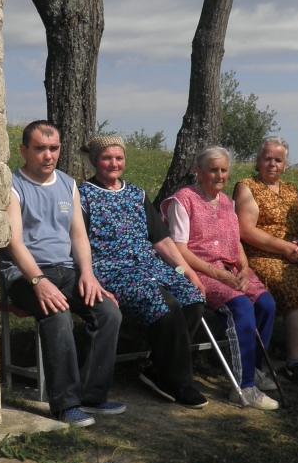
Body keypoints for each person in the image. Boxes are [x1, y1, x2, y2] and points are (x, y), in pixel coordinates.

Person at [1, 121, 125, 428]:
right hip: (25, 274)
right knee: (57, 313)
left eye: (54, 148)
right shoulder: (12, 186)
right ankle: (66, 405)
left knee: (109, 313)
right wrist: (38, 282)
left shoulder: (68, 184)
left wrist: (88, 275)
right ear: (23, 151)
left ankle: (93, 395)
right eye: (40, 148)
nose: (48, 155)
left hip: (67, 271)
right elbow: (14, 242)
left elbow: (79, 236)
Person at [78, 137, 209, 409]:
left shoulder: (137, 194)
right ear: (95, 161)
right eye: (107, 158)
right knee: (165, 304)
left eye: (119, 158)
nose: (114, 163)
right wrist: (87, 273)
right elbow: (78, 241)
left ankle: (157, 370)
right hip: (113, 270)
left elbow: (160, 240)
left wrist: (187, 272)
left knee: (192, 299)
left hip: (150, 266)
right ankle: (180, 383)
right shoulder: (83, 195)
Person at [163, 147, 280, 411]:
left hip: (231, 270)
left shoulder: (227, 202)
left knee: (266, 304)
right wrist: (216, 273)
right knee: (241, 307)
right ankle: (244, 386)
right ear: (199, 172)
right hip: (201, 271)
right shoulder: (184, 200)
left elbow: (236, 243)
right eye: (213, 170)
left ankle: (254, 368)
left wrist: (245, 269)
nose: (219, 175)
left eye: (224, 170)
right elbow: (179, 249)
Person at [234, 137, 298, 387]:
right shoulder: (247, 187)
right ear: (258, 161)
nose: (272, 164)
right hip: (262, 256)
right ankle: (294, 363)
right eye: (267, 158)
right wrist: (285, 247)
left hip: (294, 256)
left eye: (278, 160)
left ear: (285, 165)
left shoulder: (292, 190)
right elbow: (246, 230)